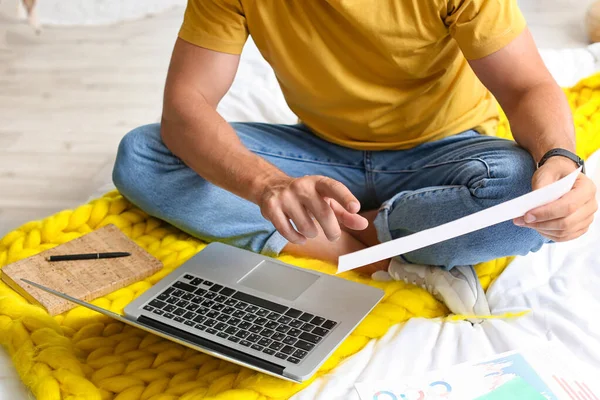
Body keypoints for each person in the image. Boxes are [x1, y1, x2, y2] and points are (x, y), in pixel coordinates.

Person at [112, 0, 597, 316]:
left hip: (447, 150)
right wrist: (268, 185)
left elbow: (526, 85)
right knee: (145, 154)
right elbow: (185, 106)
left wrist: (560, 159)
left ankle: (351, 238)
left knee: (519, 190)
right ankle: (391, 249)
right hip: (320, 154)